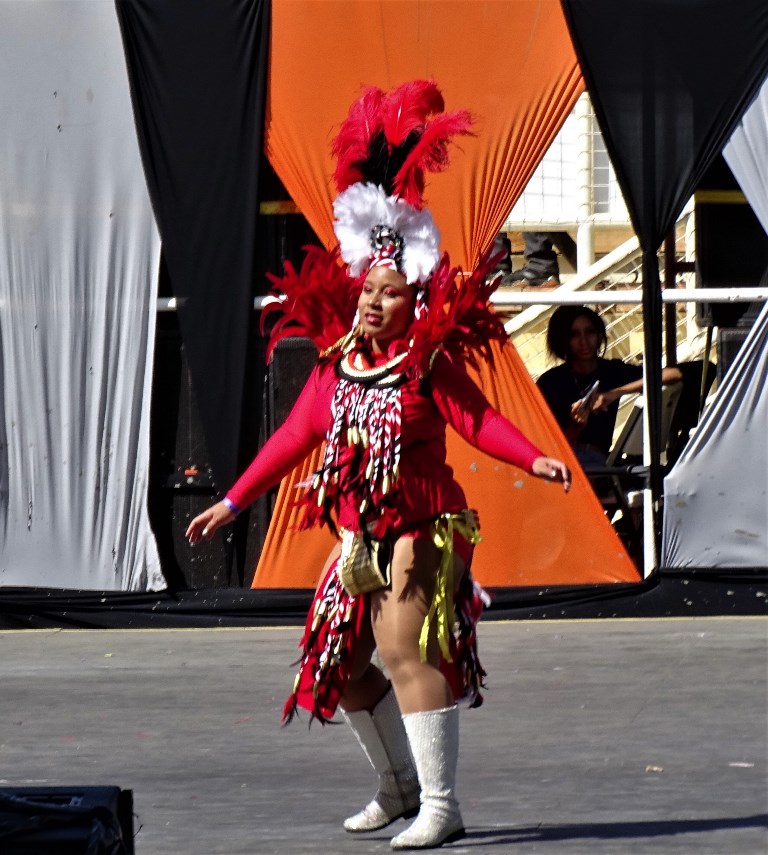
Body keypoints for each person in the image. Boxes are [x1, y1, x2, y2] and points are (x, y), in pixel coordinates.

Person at [186, 81, 571, 851]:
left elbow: (480, 421)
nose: (372, 302)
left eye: (390, 293)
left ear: (412, 301)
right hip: (356, 536)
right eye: (368, 288)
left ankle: (442, 800)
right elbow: (293, 437)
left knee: (404, 647)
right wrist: (232, 500)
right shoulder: (335, 367)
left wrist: (534, 456)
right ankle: (397, 788)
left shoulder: (426, 366)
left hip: (421, 530)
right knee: (343, 668)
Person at [537, 305, 683, 467]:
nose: (584, 341)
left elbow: (674, 374)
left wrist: (615, 393)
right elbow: (553, 450)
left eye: (590, 332)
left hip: (601, 460)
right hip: (567, 462)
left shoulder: (612, 370)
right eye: (574, 335)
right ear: (563, 340)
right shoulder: (551, 382)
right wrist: (577, 426)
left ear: (599, 335)